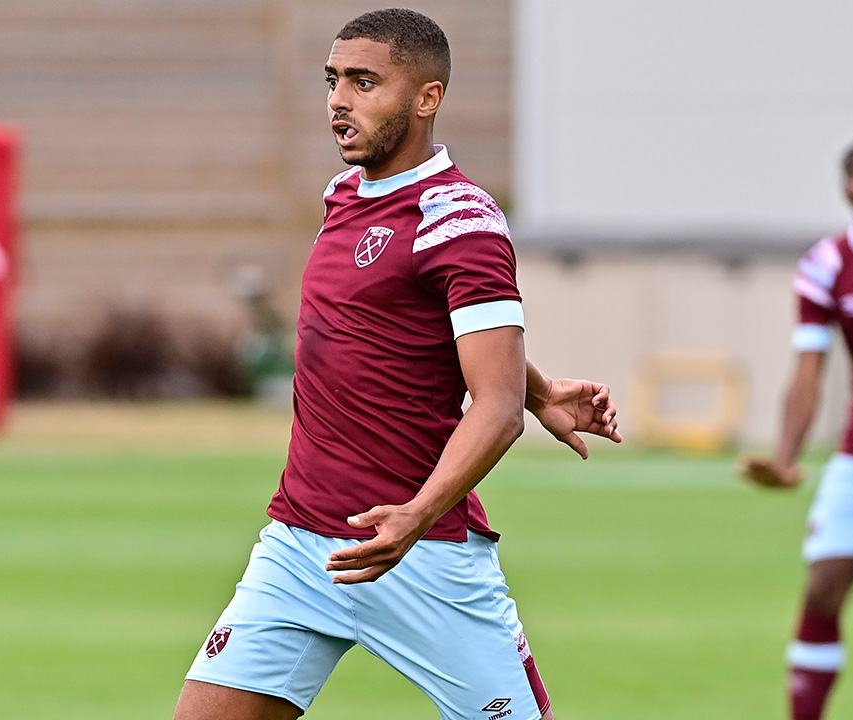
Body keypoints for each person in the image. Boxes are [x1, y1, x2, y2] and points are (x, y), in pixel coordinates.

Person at [173, 9, 621, 720]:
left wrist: (416, 514)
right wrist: (539, 389)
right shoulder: (341, 197)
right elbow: (392, 333)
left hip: (424, 556)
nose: (339, 101)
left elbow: (494, 411)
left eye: (364, 82)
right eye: (333, 81)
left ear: (426, 98)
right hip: (300, 547)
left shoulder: (460, 219)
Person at [740, 138, 853, 720]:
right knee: (820, 590)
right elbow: (807, 372)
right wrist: (785, 458)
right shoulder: (826, 265)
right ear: (845, 188)